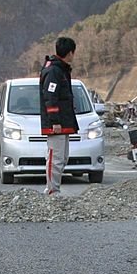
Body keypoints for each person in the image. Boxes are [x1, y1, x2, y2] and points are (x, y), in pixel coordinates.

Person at [39, 36, 78, 195]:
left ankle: (54, 188)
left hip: (63, 122)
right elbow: (50, 97)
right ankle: (52, 190)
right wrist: (55, 121)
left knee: (62, 158)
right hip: (57, 124)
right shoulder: (54, 71)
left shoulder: (59, 69)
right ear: (70, 52)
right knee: (55, 158)